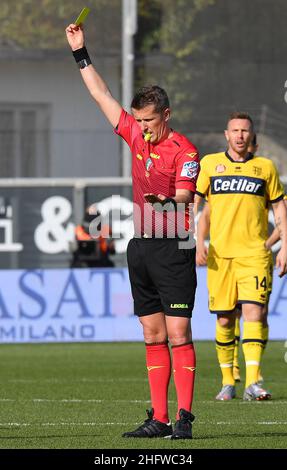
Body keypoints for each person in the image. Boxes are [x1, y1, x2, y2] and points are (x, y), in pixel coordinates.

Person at [66, 23, 200, 439]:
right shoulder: (135, 136)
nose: (142, 127)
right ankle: (158, 419)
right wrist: (80, 51)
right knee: (152, 333)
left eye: (149, 120)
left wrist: (165, 202)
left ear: (167, 116)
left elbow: (183, 197)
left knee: (178, 333)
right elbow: (100, 94)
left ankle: (183, 417)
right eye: (138, 120)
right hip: (141, 246)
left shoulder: (185, 150)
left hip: (175, 246)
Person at [195, 112, 287, 401]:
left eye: (244, 131)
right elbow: (198, 206)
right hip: (220, 255)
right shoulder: (209, 164)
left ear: (250, 135)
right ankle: (227, 382)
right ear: (226, 134)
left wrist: (284, 245)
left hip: (255, 254)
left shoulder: (265, 168)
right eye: (235, 130)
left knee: (254, 313)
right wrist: (196, 240)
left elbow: (280, 210)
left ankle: (253, 382)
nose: (240, 135)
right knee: (224, 319)